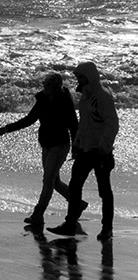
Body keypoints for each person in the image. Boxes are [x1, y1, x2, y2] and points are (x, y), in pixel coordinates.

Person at [0, 72, 84, 225]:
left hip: (60, 145)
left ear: (56, 87)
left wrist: (76, 147)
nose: (45, 87)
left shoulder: (64, 101)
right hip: (46, 144)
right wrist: (7, 128)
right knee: (54, 181)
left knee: (48, 180)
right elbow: (30, 119)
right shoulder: (42, 99)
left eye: (48, 85)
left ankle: (38, 214)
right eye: (44, 84)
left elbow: (73, 125)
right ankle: (77, 204)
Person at [47, 62, 119, 241]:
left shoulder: (103, 97)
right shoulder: (85, 97)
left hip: (101, 152)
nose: (78, 80)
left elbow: (112, 125)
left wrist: (104, 147)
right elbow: (84, 124)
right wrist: (77, 143)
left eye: (81, 77)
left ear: (90, 77)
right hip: (85, 151)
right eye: (77, 77)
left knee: (104, 191)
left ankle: (107, 229)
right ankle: (70, 224)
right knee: (75, 185)